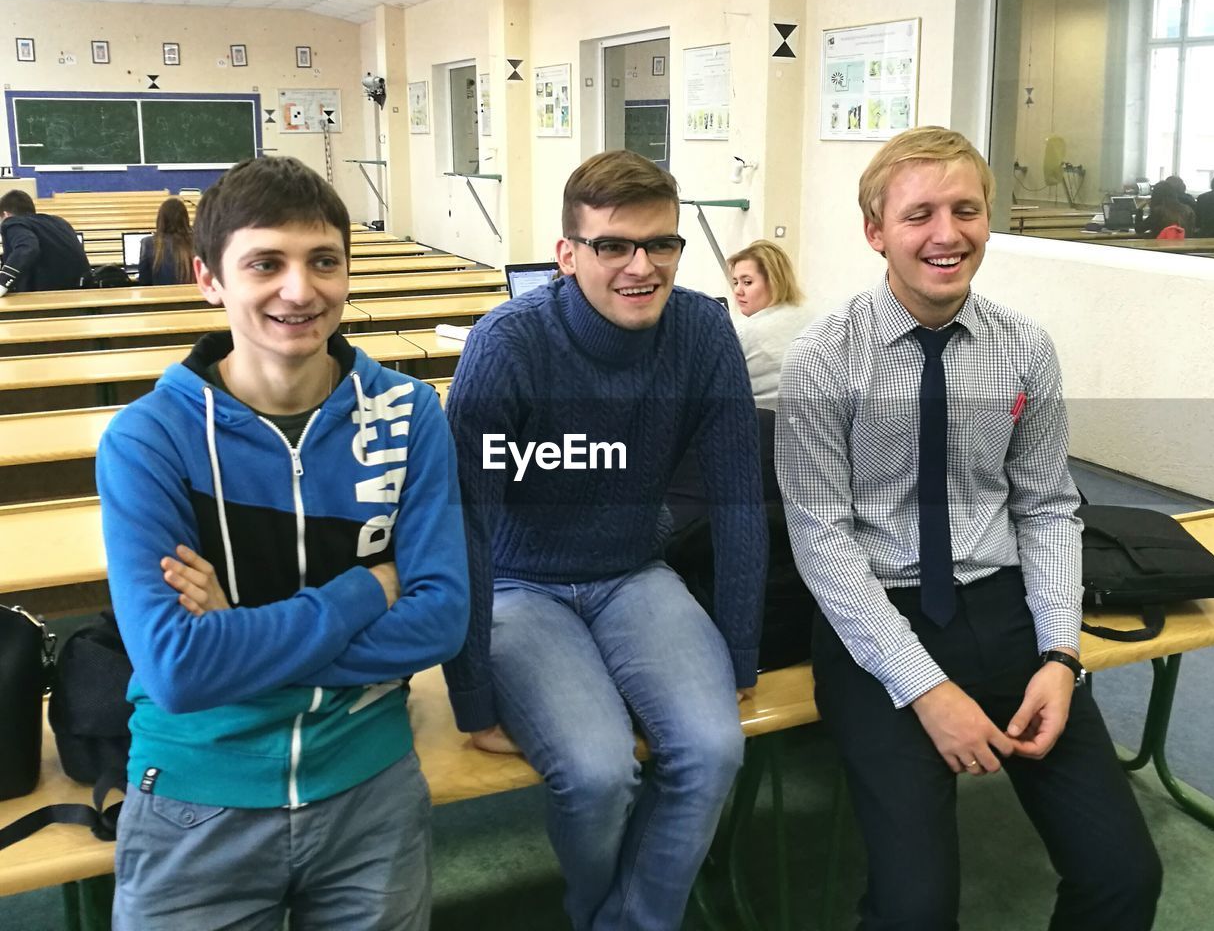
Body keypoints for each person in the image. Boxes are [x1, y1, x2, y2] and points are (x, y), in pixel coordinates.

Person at [777, 126, 1162, 930]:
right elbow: (822, 540)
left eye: (966, 209)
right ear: (875, 232)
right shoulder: (823, 358)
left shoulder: (1024, 348)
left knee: (1124, 877)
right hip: (876, 626)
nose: (946, 235)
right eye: (919, 215)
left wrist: (1061, 655)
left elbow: (1049, 508)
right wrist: (926, 689)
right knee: (914, 912)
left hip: (1007, 613)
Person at [96, 155, 469, 930]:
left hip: (370, 786)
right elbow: (180, 669)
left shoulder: (409, 413)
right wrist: (367, 589)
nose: (300, 291)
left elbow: (440, 621)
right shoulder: (147, 439)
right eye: (266, 263)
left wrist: (240, 633)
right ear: (209, 278)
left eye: (322, 262)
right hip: (198, 797)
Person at [444, 149, 767, 931]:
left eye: (661, 244)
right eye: (613, 245)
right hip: (521, 585)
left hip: (632, 572)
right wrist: (471, 693)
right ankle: (603, 914)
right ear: (567, 255)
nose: (641, 266)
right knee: (595, 775)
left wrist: (740, 649)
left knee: (714, 750)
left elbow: (738, 498)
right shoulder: (508, 344)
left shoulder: (702, 329)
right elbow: (463, 525)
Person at [728, 239, 814, 411]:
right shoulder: (814, 319)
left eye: (747, 282)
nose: (737, 291)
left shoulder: (744, 334)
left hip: (759, 433)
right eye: (736, 282)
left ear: (774, 282)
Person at [0, 189, 91, 295]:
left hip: (44, 298)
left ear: (5, 215)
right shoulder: (59, 222)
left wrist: (3, 283)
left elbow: (27, 247)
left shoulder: (12, 222)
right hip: (80, 293)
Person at [138, 196, 195, 285]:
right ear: (185, 219)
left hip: (158, 297)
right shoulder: (196, 242)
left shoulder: (148, 243)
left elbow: (143, 282)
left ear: (161, 219)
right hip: (194, 298)